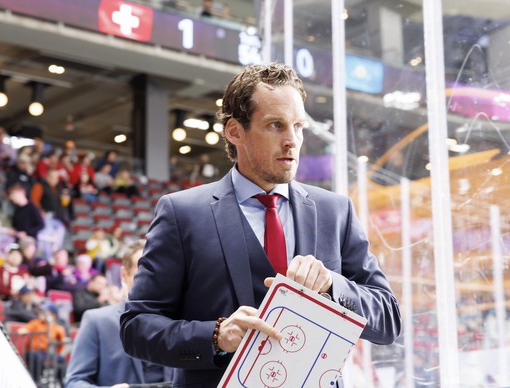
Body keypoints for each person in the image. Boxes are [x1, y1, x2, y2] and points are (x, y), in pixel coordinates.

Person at [120, 63, 401, 387]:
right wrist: (216, 335)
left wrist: (334, 286)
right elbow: (136, 327)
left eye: (298, 126)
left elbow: (389, 319)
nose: (292, 140)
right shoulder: (181, 214)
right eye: (275, 125)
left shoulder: (334, 211)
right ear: (234, 131)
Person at [65, 240, 174, 387]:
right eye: (145, 272)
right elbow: (74, 382)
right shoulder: (96, 321)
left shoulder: (178, 324)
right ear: (124, 275)